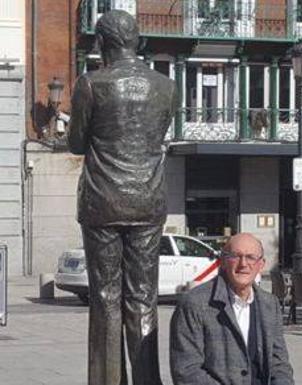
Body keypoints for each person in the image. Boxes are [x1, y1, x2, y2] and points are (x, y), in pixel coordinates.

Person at [67, 10, 176, 385]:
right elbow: (157, 134)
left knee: (106, 296)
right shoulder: (166, 86)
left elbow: (76, 143)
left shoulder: (91, 83)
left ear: (102, 44)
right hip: (147, 199)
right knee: (144, 296)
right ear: (137, 41)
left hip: (102, 201)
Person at [170, 233, 294, 385]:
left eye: (251, 257)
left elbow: (279, 364)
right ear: (223, 261)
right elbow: (186, 371)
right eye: (235, 256)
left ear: (261, 264)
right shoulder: (194, 304)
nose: (243, 264)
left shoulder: (270, 304)